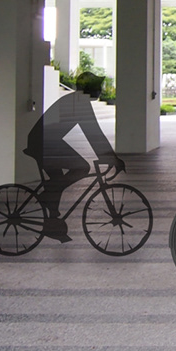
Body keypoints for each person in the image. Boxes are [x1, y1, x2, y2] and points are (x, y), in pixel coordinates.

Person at [24, 91, 124, 242]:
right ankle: (46, 197)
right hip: (44, 141)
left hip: (46, 139)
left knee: (57, 180)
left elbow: (92, 132)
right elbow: (93, 132)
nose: (100, 91)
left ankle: (52, 224)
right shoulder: (78, 103)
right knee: (81, 167)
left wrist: (110, 157)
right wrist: (111, 158)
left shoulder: (76, 100)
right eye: (97, 87)